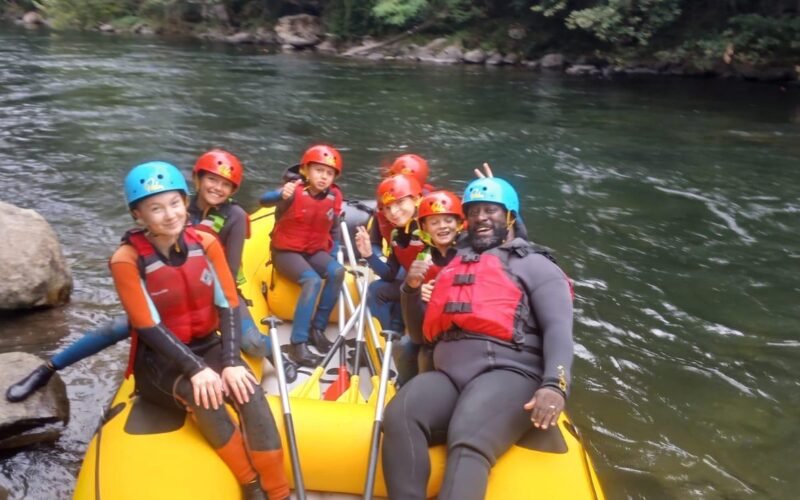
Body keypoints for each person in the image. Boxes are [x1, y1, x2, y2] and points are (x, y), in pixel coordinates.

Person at [5, 150, 297, 403]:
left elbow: (228, 271)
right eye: (212, 179)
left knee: (253, 343)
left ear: (232, 190)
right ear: (197, 179)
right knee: (118, 327)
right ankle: (49, 369)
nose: (217, 188)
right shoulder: (177, 202)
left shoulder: (234, 217)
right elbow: (148, 239)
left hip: (216, 289)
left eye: (225, 184)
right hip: (169, 288)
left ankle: (277, 355)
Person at [381, 176, 574, 500]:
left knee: (468, 433)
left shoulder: (536, 266)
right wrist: (410, 291)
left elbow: (559, 329)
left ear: (511, 216)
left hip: (510, 374)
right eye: (474, 212)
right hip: (450, 376)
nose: (481, 217)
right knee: (400, 414)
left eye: (491, 210)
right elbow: (418, 334)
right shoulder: (454, 268)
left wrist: (555, 385)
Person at [114, 161, 288, 500]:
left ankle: (279, 492)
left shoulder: (206, 242)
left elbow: (228, 305)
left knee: (250, 393)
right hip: (159, 363)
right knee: (204, 395)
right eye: (156, 208)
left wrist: (232, 361)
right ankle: (251, 484)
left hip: (206, 343)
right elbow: (149, 325)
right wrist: (196, 371)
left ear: (185, 201)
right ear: (139, 215)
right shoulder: (126, 260)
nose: (169, 215)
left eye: (175, 203)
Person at [260, 144, 345, 368]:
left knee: (337, 271)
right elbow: (264, 200)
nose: (324, 177)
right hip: (286, 252)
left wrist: (333, 254)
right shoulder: (292, 191)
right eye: (319, 170)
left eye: (329, 173)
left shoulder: (334, 196)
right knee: (312, 280)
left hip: (314, 250)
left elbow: (334, 229)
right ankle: (298, 344)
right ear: (306, 170)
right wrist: (280, 193)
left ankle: (317, 329)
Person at [392, 190, 464, 383]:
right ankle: (405, 386)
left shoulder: (470, 252)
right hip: (432, 326)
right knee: (403, 347)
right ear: (424, 227)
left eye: (448, 221)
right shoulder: (424, 257)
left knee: (426, 356)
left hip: (461, 329)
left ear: (459, 224)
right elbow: (414, 313)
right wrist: (416, 292)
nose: (442, 227)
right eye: (434, 222)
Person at [354, 174, 424, 343]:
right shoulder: (397, 233)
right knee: (377, 289)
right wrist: (369, 255)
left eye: (400, 202)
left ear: (416, 199)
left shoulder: (431, 225)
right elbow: (389, 274)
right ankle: (384, 342)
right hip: (414, 288)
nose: (393, 212)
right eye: (387, 207)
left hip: (435, 291)